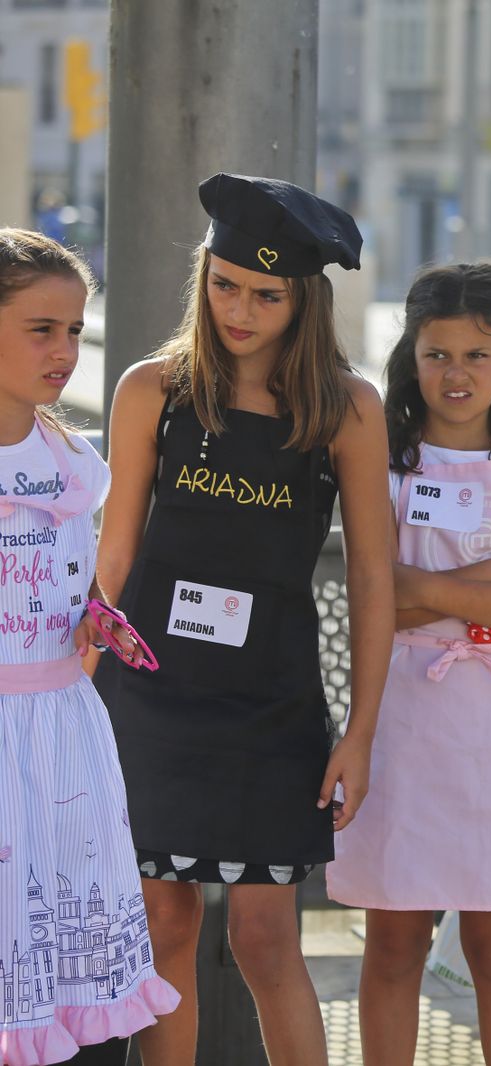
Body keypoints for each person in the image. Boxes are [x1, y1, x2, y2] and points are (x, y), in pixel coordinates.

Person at [95, 175, 394, 1066]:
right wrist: (65, 696)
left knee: (268, 940)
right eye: (226, 284)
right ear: (204, 276)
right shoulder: (152, 390)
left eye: (267, 294)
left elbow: (376, 579)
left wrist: (361, 734)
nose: (241, 308)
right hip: (150, 696)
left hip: (275, 705)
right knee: (161, 921)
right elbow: (113, 560)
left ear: (305, 301)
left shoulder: (347, 407)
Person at [324, 262, 491, 1064]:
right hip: (395, 715)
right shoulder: (382, 467)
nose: (456, 374)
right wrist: (485, 584)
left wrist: (423, 589)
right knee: (392, 940)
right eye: (438, 354)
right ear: (410, 356)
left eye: (475, 354)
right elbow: (370, 599)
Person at [0, 229, 180, 1065]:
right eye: (42, 328)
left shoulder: (74, 460)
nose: (66, 350)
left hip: (63, 734)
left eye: (75, 329)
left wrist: (91, 619)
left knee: (63, 960)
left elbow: (75, 589)